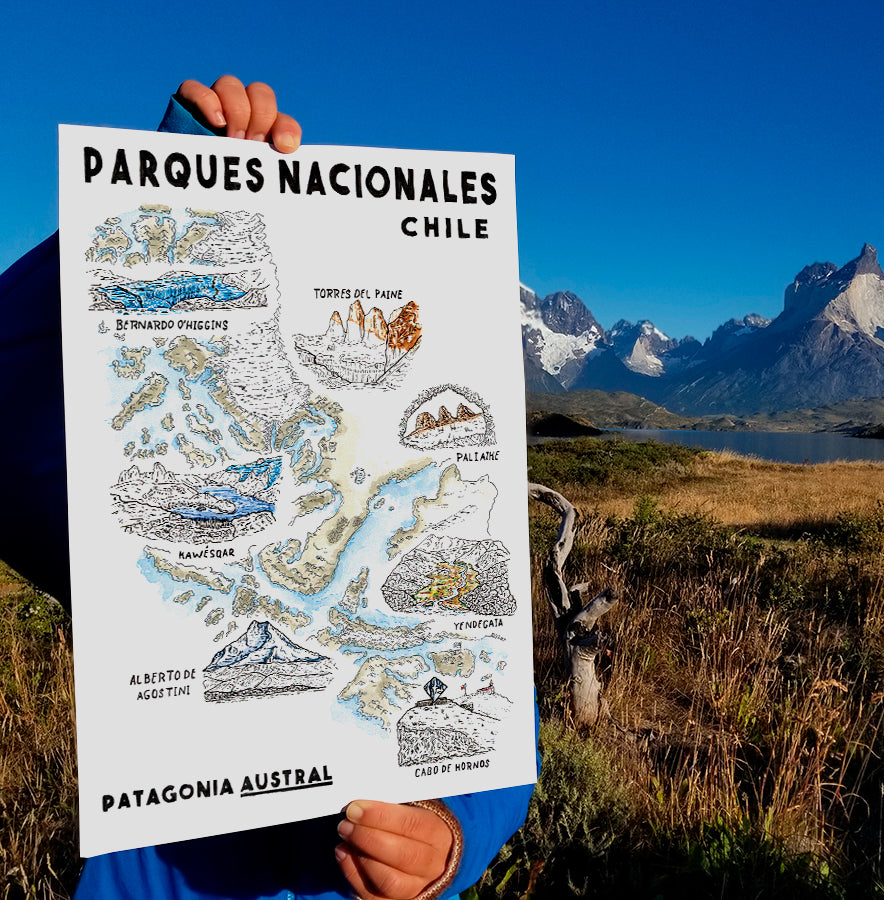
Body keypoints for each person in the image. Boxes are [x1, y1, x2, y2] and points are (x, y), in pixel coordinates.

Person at [0, 76, 536, 900]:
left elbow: (490, 684)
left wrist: (451, 834)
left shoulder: (435, 511)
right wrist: (154, 205)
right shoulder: (146, 481)